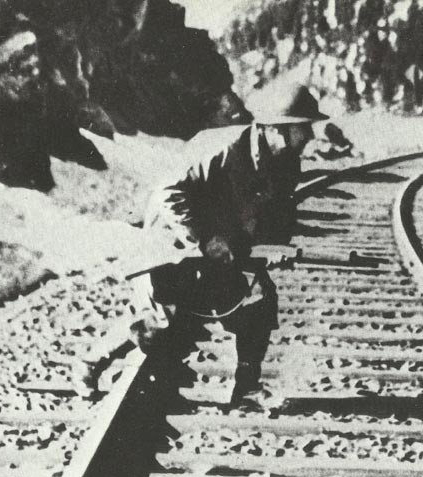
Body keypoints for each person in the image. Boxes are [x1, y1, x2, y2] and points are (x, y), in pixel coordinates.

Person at [130, 83, 328, 399]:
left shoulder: (286, 162)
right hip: (172, 240)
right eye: (303, 128)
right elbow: (168, 193)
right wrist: (205, 239)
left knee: (259, 303)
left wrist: (276, 249)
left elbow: (277, 215)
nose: (310, 137)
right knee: (160, 323)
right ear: (276, 129)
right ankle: (90, 363)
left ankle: (247, 387)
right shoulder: (224, 149)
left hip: (225, 244)